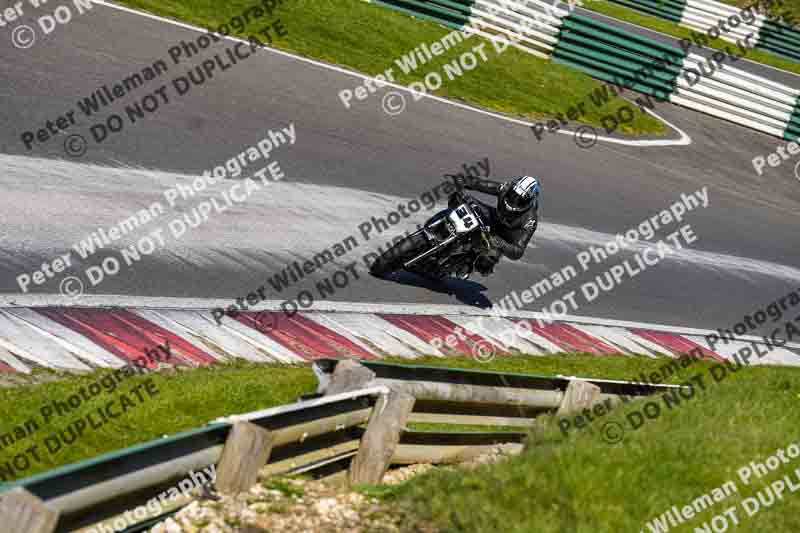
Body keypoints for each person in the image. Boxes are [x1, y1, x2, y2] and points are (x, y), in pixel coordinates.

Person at [448, 174, 541, 275]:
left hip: (504, 236)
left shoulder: (530, 220)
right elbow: (485, 184)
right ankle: (447, 227)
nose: (514, 201)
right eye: (512, 195)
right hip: (495, 218)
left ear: (529, 202)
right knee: (462, 200)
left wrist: (498, 242)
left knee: (486, 261)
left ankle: (466, 264)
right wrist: (464, 181)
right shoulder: (505, 188)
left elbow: (518, 251)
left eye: (520, 201)